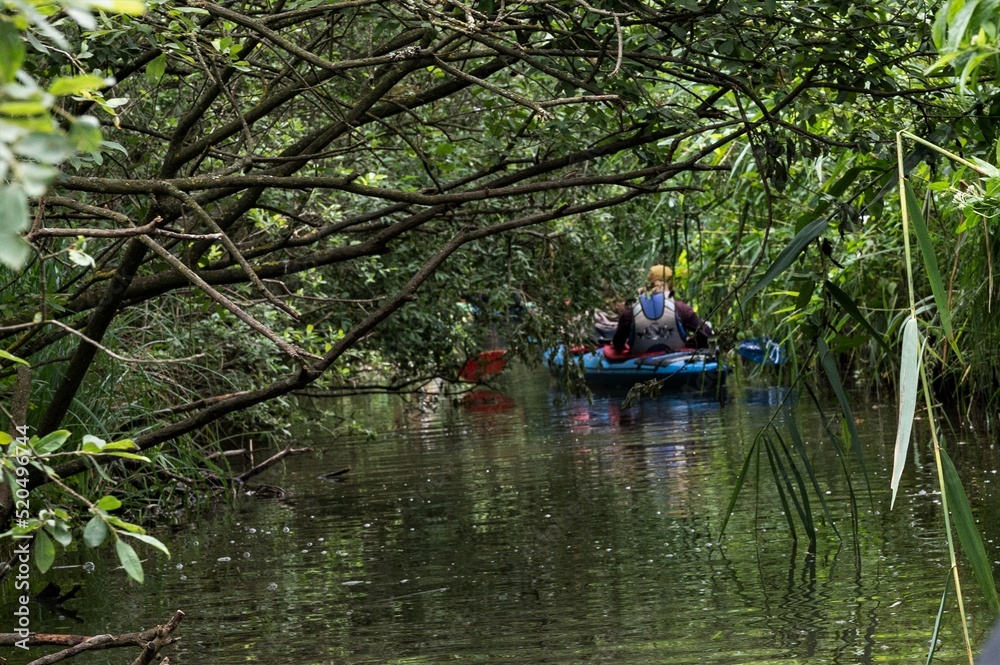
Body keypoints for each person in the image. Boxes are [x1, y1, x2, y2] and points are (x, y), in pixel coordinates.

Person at [611, 265, 713, 355]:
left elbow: (618, 346)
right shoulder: (682, 309)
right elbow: (707, 335)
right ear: (671, 283)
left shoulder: (631, 312)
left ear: (647, 283)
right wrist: (691, 342)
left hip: (640, 364)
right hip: (676, 363)